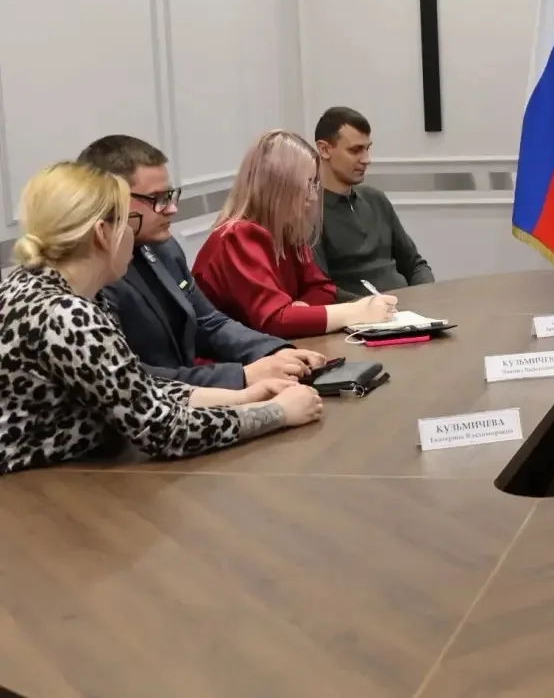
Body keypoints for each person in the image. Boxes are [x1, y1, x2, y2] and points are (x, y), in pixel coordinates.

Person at [0, 162, 323, 475]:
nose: (132, 236)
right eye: (127, 222)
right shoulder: (69, 316)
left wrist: (241, 397)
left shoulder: (32, 286)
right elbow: (165, 432)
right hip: (29, 490)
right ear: (102, 234)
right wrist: (277, 413)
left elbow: (134, 387)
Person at [77, 135, 328, 390]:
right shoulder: (94, 277)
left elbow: (208, 322)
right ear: (111, 200)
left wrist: (275, 351)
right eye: (156, 198)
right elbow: (133, 380)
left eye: (170, 195)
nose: (171, 209)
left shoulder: (164, 248)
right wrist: (242, 376)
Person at [193, 130, 399, 339]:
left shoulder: (287, 230)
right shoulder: (237, 237)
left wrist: (302, 309)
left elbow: (322, 288)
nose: (313, 196)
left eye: (315, 184)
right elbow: (274, 320)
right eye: (307, 184)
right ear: (278, 187)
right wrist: (357, 311)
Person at [313, 106, 435, 299]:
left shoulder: (376, 199)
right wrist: (374, 308)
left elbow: (415, 265)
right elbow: (320, 288)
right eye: (355, 150)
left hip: (406, 305)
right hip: (360, 311)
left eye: (367, 149)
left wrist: (428, 295)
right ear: (324, 150)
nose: (366, 160)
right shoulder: (309, 211)